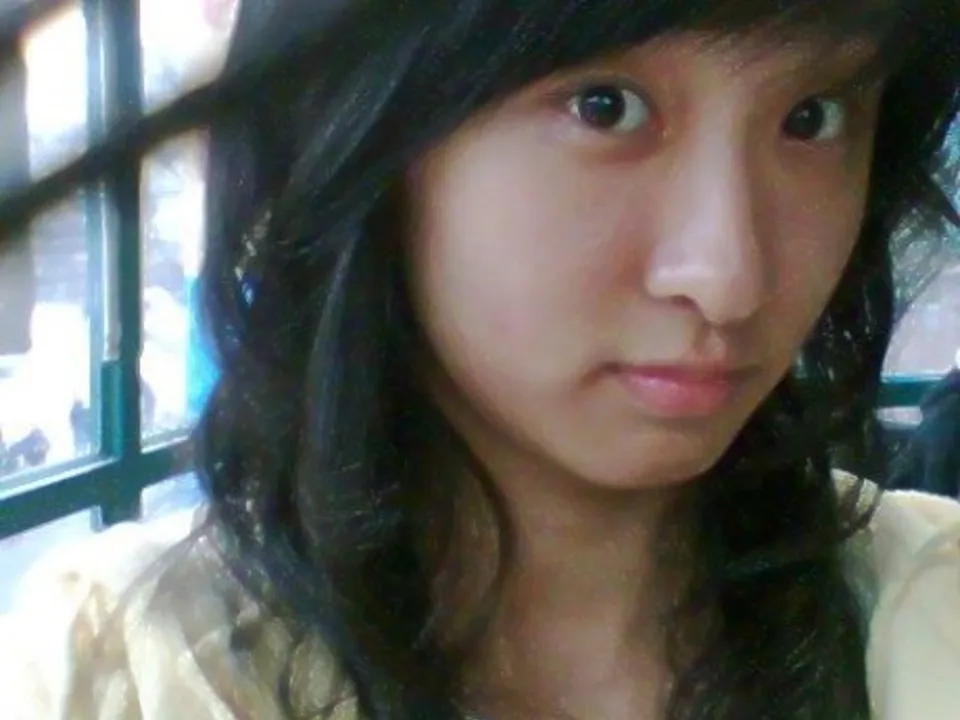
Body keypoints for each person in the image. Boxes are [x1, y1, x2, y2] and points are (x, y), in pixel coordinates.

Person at [0, 1, 959, 718]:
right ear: (364, 132)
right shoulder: (119, 678)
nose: (728, 277)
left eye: (812, 118)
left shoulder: (931, 620)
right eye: (605, 107)